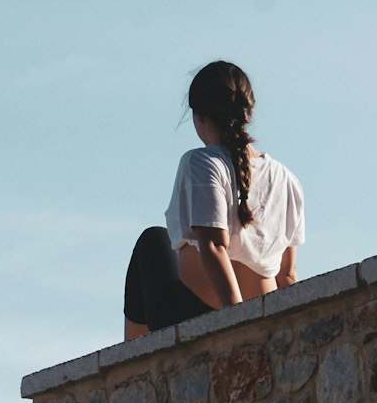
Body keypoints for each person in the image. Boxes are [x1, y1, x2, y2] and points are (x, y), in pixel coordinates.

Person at [123, 60, 305, 339]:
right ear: (249, 111)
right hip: (262, 311)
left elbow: (214, 245)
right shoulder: (287, 179)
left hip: (198, 312)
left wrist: (235, 320)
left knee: (152, 242)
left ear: (200, 117)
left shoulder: (202, 162)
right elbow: (287, 275)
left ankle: (131, 361)